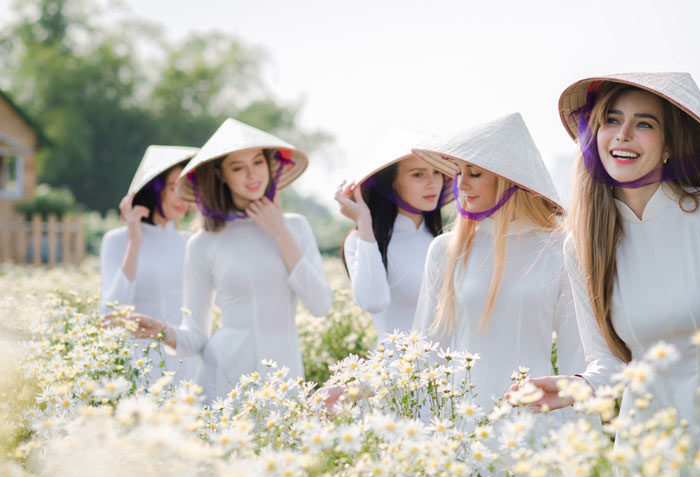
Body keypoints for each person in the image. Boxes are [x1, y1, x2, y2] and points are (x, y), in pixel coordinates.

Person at [516, 72, 700, 477]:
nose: (623, 135)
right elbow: (610, 365)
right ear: (595, 133)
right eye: (612, 120)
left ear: (667, 145)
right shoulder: (583, 242)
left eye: (644, 123)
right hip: (647, 440)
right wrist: (575, 387)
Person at [124, 118, 332, 401]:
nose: (251, 174)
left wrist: (279, 232)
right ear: (221, 175)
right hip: (224, 378)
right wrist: (162, 331)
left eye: (257, 162)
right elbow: (196, 335)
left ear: (270, 165)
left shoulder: (295, 227)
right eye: (237, 167)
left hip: (285, 378)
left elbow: (320, 304)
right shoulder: (203, 243)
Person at [411, 113, 584, 421]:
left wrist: (586, 444)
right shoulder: (446, 250)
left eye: (475, 173)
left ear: (510, 180)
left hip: (533, 418)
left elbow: (577, 359)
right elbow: (425, 352)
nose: (460, 183)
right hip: (462, 419)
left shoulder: (560, 249)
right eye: (459, 172)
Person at [335, 130, 450, 343]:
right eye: (418, 174)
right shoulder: (362, 241)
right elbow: (373, 302)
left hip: (455, 372)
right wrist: (364, 223)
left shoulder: (447, 242)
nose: (432, 183)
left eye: (437, 172)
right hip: (397, 372)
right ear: (392, 182)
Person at [99, 145, 199, 383]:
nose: (183, 197)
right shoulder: (118, 241)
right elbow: (111, 313)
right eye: (175, 187)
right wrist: (135, 242)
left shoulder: (192, 243)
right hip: (140, 367)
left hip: (189, 364)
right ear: (155, 186)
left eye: (189, 187)